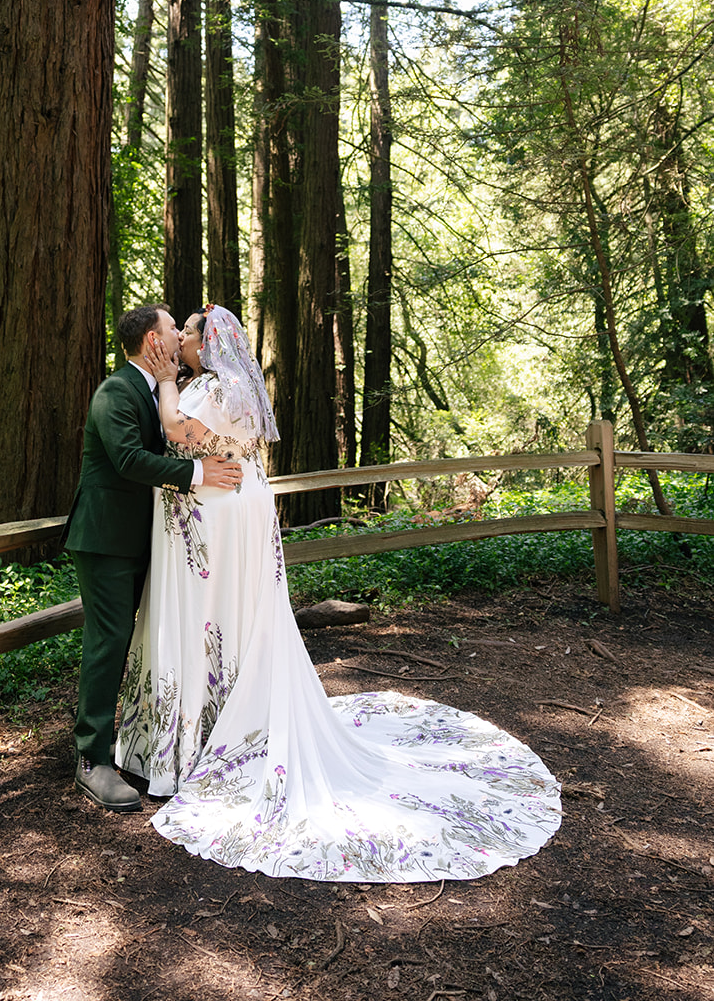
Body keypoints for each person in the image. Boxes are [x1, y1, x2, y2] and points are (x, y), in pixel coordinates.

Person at [115, 305, 562, 882]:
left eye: (191, 332)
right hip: (235, 507)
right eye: (179, 332)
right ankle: (216, 717)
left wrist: (170, 383)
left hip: (217, 518)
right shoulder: (233, 385)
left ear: (211, 343)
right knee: (232, 618)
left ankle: (209, 733)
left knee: (212, 617)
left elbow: (180, 433)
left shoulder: (208, 388)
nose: (182, 339)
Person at [63, 303, 243, 812]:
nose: (178, 335)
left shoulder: (163, 391)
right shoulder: (115, 392)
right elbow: (127, 460)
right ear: (152, 342)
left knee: (140, 640)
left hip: (145, 541)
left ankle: (143, 741)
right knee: (109, 641)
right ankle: (92, 760)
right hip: (105, 539)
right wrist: (200, 473)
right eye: (171, 329)